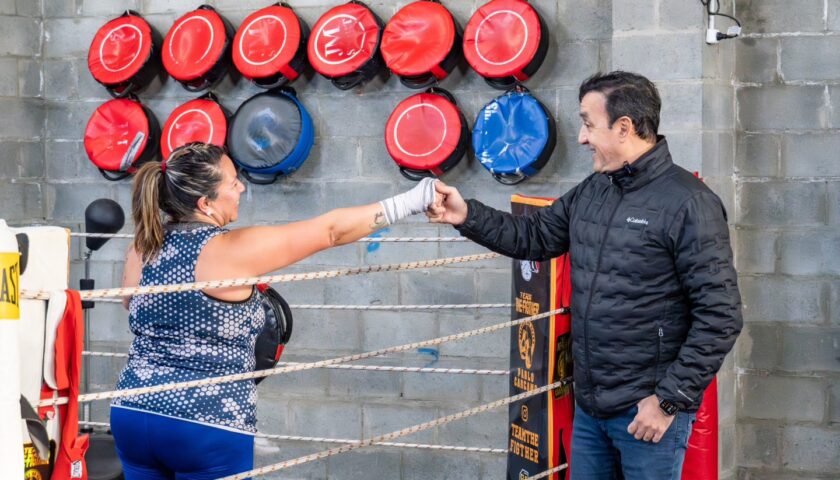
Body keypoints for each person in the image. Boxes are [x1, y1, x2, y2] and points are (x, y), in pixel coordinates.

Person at [428, 71, 742, 480]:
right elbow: (534, 235)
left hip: (647, 414)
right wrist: (465, 214)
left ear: (624, 127)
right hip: (592, 410)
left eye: (589, 124)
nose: (581, 137)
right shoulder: (595, 189)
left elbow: (721, 316)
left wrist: (668, 401)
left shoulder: (690, 203)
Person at [112, 143, 439, 479]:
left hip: (132, 410)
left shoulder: (142, 246)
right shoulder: (227, 250)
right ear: (205, 203)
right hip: (204, 421)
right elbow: (330, 231)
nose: (241, 188)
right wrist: (414, 200)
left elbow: (130, 303)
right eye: (232, 182)